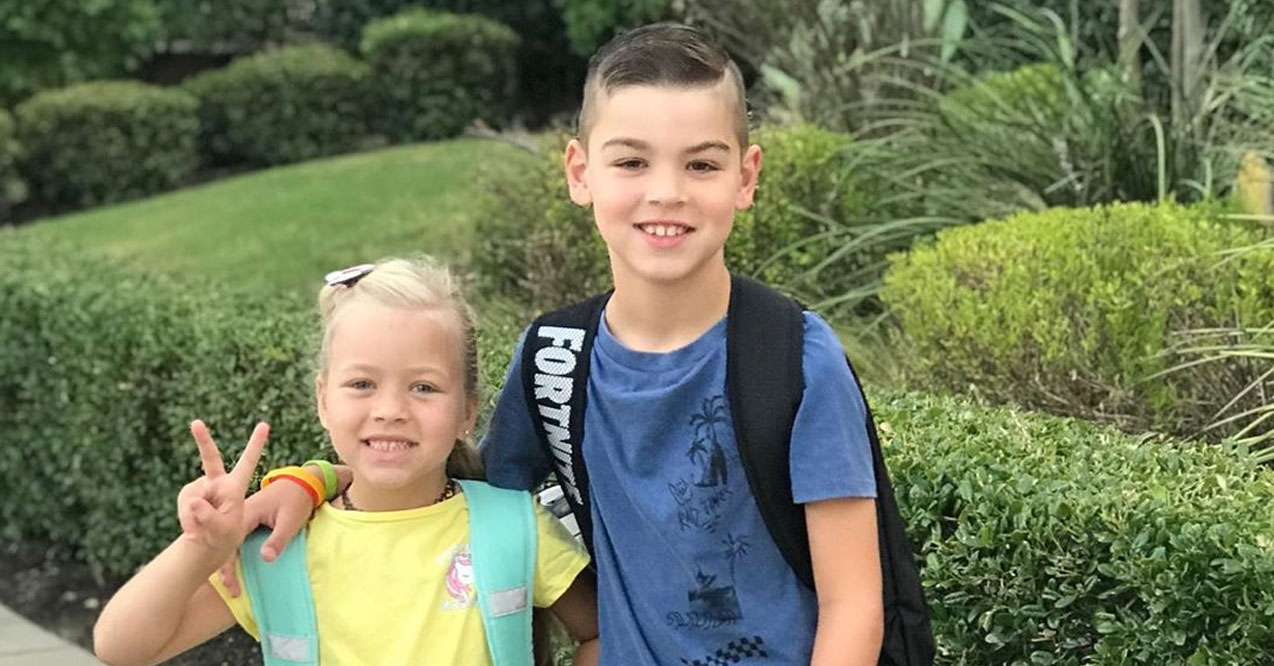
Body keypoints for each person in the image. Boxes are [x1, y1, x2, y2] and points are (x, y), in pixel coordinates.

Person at [235, 22, 884, 665]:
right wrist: (311, 483)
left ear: (745, 177)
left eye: (702, 164)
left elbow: (853, 606)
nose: (666, 192)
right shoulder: (554, 358)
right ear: (580, 172)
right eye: (631, 161)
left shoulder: (796, 359)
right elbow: (445, 487)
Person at [93, 257, 599, 666]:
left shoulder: (514, 526)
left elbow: (599, 635)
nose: (390, 410)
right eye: (362, 384)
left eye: (424, 387)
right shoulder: (278, 546)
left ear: (467, 410)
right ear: (323, 401)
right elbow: (121, 648)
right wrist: (201, 547)